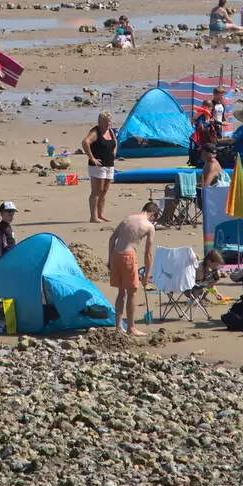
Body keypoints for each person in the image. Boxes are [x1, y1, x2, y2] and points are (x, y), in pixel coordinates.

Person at [107, 201, 157, 335]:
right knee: (132, 292)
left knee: (121, 292)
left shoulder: (127, 219)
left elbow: (112, 239)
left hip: (116, 255)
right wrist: (147, 274)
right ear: (152, 214)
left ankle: (118, 326)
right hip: (128, 256)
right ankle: (131, 327)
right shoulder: (149, 226)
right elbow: (148, 253)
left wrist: (109, 260)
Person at [82, 111, 118, 223]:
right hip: (97, 166)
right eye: (105, 121)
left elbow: (115, 143)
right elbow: (85, 142)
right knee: (97, 191)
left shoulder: (110, 131)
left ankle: (101, 215)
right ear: (100, 121)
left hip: (109, 164)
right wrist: (92, 158)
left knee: (104, 191)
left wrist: (113, 153)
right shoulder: (95, 131)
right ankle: (93, 217)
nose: (108, 123)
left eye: (109, 120)